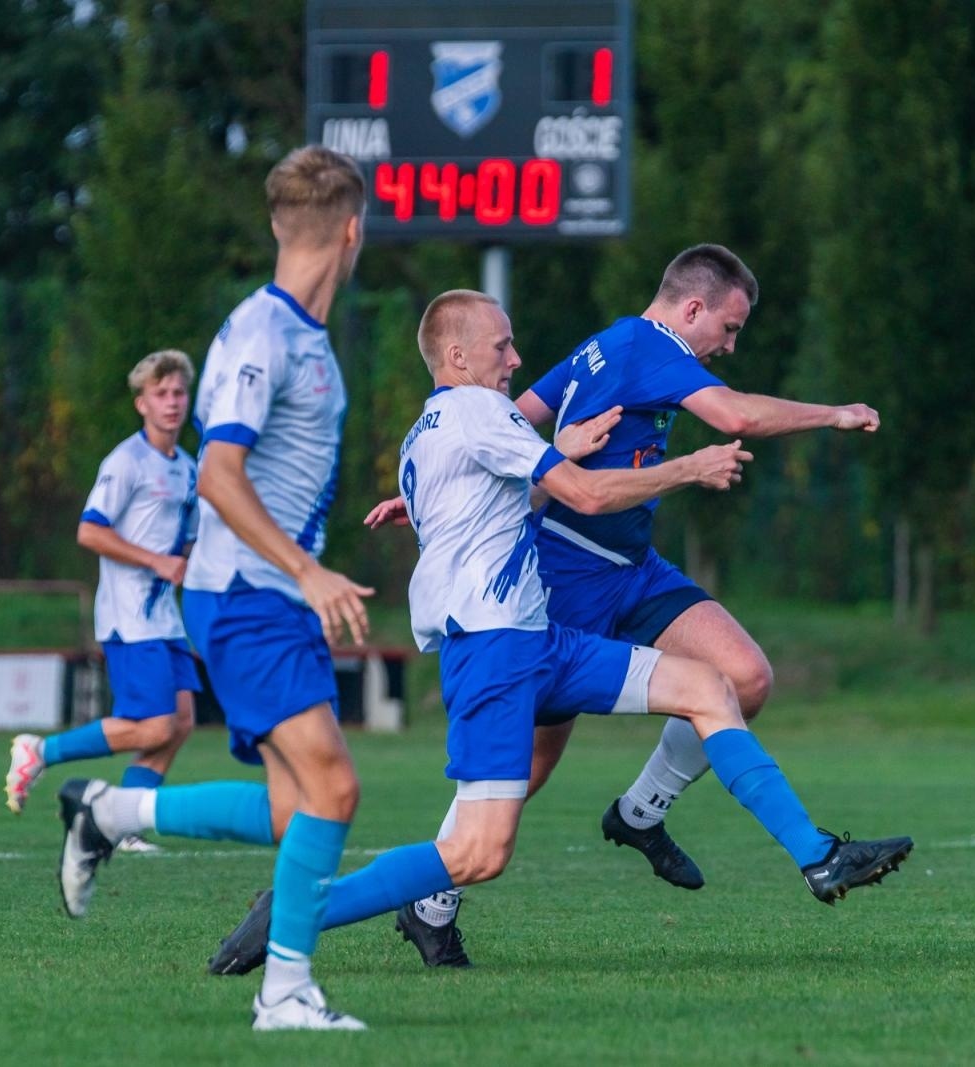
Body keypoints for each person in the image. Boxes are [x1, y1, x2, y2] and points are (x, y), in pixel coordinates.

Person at [201, 290, 912, 977]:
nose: (515, 359)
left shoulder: (444, 425)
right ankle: (298, 906)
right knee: (480, 852)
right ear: (456, 354)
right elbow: (589, 493)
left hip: (540, 639)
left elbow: (520, 479)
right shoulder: (478, 411)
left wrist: (557, 445)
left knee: (712, 687)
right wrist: (692, 466)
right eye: (501, 345)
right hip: (492, 652)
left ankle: (817, 855)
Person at [371, 245, 884, 965]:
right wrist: (834, 413)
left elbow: (508, 416)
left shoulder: (605, 345)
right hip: (565, 577)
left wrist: (434, 481)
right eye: (730, 329)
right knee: (527, 764)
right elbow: (735, 415)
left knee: (744, 676)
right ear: (694, 308)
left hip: (635, 568)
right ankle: (429, 902)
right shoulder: (652, 345)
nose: (729, 346)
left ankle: (640, 814)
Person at [50, 145, 375, 1032]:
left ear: (279, 225)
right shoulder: (260, 334)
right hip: (248, 599)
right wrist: (308, 570)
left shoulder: (303, 339)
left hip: (270, 599)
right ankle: (284, 993)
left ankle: (111, 809)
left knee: (291, 807)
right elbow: (220, 474)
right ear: (353, 231)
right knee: (334, 792)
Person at [3, 349, 199, 853]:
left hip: (165, 616)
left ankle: (120, 822)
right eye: (161, 394)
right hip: (130, 615)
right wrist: (156, 563)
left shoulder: (188, 468)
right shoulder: (127, 460)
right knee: (154, 725)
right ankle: (41, 750)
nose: (172, 402)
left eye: (179, 392)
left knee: (180, 722)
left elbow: (187, 544)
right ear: (142, 404)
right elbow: (90, 530)